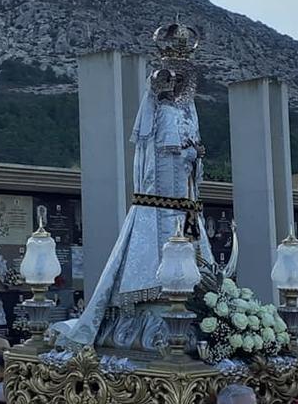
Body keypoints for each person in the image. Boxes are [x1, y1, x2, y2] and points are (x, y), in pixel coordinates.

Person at [58, 22, 219, 350]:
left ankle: (196, 297)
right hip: (160, 201)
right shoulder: (161, 112)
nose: (181, 82)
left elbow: (192, 157)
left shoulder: (187, 113)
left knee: (196, 255)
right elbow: (164, 152)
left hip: (186, 204)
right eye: (177, 76)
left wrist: (195, 154)